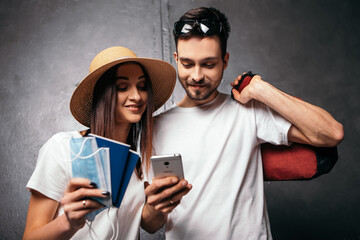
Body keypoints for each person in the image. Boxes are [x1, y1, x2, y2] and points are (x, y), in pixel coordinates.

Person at [144, 7, 344, 240]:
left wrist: (262, 89)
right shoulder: (154, 127)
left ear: (225, 61)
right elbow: (149, 225)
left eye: (208, 64)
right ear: (176, 59)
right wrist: (156, 207)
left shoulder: (249, 111)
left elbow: (332, 133)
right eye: (188, 64)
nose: (197, 76)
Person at [23, 46, 191, 240]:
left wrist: (158, 206)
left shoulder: (142, 158)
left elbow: (148, 224)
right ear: (103, 94)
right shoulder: (62, 147)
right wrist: (68, 222)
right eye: (122, 87)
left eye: (142, 86)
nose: (136, 96)